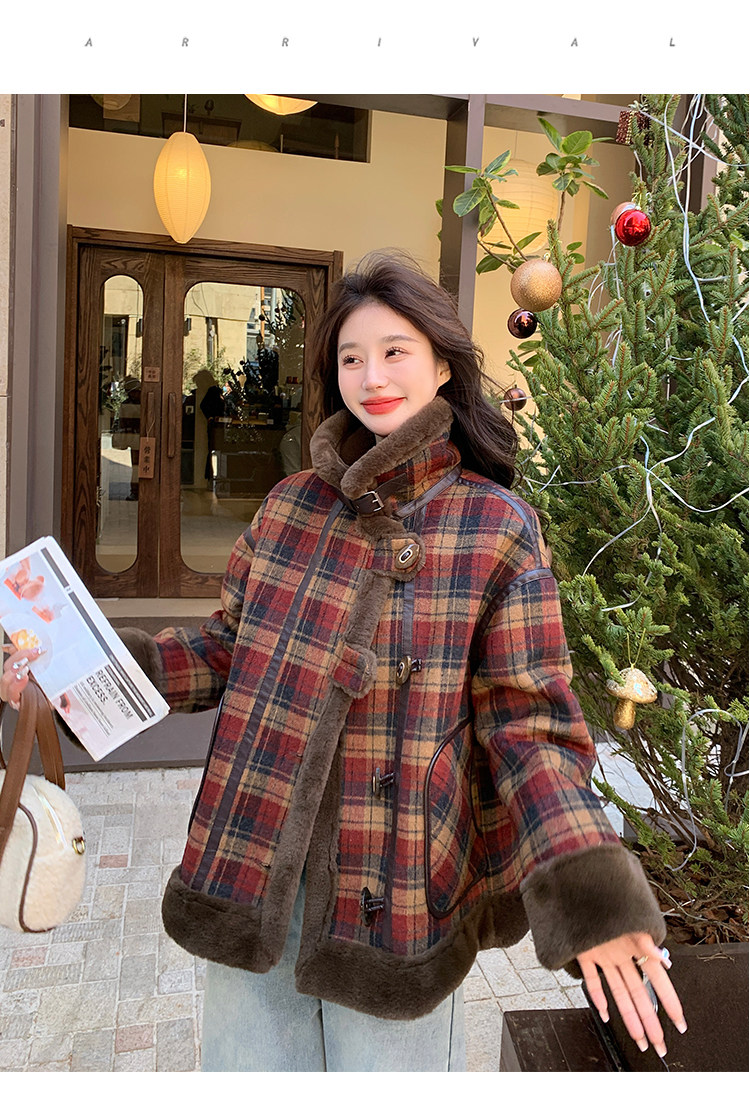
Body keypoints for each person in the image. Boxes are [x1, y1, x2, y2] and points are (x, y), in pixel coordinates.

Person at [2, 250, 686, 1073]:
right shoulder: (291, 506)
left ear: (442, 364)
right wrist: (74, 671)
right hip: (252, 867)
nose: (373, 376)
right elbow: (226, 649)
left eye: (396, 351)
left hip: (393, 894)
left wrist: (590, 894)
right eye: (351, 358)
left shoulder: (495, 526)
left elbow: (528, 725)